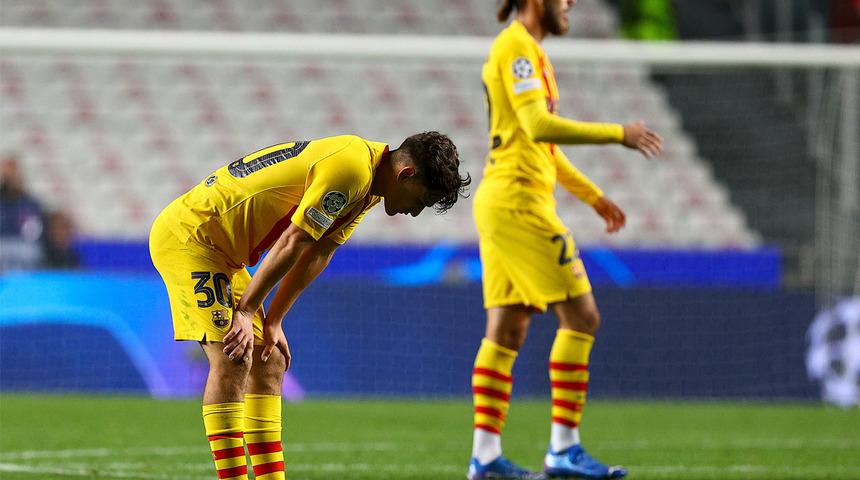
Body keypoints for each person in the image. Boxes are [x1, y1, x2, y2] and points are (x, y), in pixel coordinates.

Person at [150, 133, 469, 480]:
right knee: (233, 355)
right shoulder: (351, 169)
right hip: (194, 238)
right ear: (406, 174)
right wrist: (244, 312)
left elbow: (319, 251)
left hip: (225, 254)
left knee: (268, 361)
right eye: (421, 200)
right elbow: (295, 239)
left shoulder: (369, 185)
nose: (415, 211)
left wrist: (274, 319)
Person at [468, 1, 663, 479]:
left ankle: (485, 457)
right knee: (582, 315)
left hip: (507, 199)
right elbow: (539, 125)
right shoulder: (516, 47)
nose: (570, 3)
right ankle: (564, 448)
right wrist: (620, 133)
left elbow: (542, 146)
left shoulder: (530, 51)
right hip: (518, 203)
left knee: (508, 328)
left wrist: (593, 197)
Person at [0, 153, 45, 272]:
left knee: (30, 252)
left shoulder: (30, 202)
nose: (11, 175)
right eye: (7, 171)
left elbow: (34, 230)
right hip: (3, 242)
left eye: (13, 170)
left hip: (23, 244)